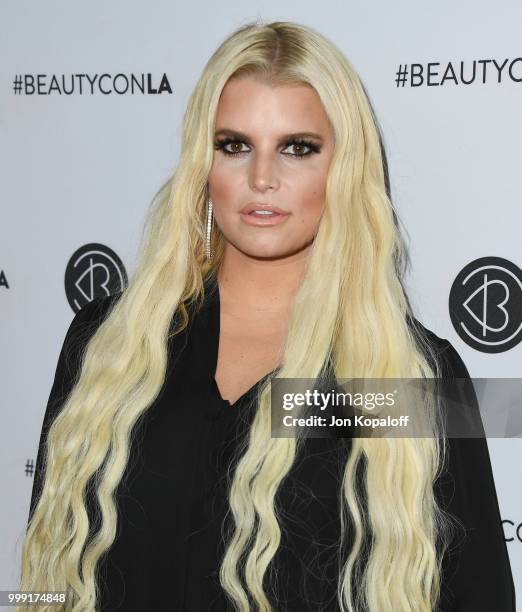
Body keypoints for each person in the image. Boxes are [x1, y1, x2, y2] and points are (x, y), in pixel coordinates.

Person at [19, 20, 515, 612]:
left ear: (344, 168)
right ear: (203, 165)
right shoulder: (109, 346)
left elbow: (477, 592)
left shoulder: (406, 376)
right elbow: (46, 576)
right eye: (234, 145)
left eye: (297, 148)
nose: (262, 178)